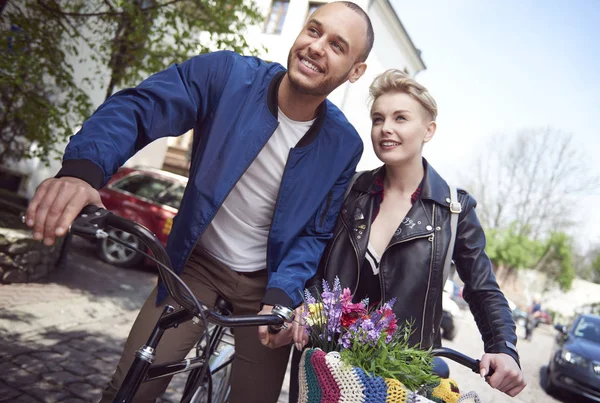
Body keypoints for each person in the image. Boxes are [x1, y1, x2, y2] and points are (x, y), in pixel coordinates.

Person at [24, 2, 374, 402]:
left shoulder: (344, 146)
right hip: (197, 263)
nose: (316, 47)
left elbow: (315, 232)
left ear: (355, 71)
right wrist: (82, 171)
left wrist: (282, 292)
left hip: (268, 281)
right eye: (314, 30)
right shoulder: (227, 76)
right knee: (131, 387)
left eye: (337, 45)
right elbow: (143, 107)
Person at [290, 69, 527, 398]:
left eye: (400, 118)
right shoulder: (348, 190)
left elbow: (483, 289)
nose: (385, 128)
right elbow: (314, 261)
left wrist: (503, 348)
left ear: (428, 130)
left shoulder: (454, 210)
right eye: (377, 118)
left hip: (401, 377)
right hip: (327, 365)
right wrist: (308, 306)